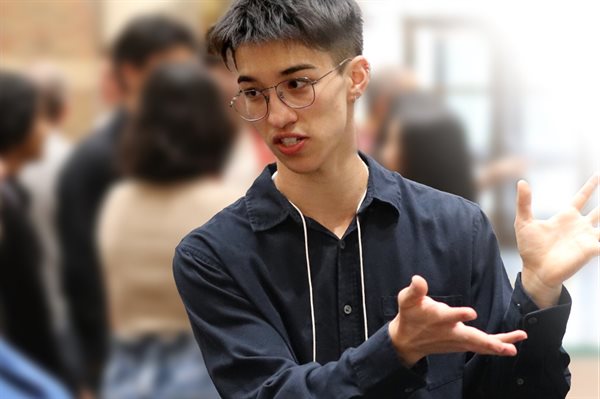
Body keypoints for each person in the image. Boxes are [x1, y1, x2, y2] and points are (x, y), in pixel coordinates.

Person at [173, 1, 600, 398]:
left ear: (356, 78)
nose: (277, 115)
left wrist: (540, 291)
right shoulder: (214, 256)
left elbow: (509, 391)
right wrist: (394, 349)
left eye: (297, 84)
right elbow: (269, 391)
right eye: (253, 93)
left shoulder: (456, 228)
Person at [56, 15, 198, 395]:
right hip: (119, 364)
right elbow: (81, 273)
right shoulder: (95, 160)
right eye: (169, 71)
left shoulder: (185, 151)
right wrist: (92, 368)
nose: (180, 86)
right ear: (131, 73)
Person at [97, 62, 240, 399]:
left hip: (125, 372)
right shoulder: (229, 207)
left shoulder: (118, 202)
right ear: (213, 125)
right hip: (205, 370)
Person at [0, 70, 72, 387]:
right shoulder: (6, 203)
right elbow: (27, 308)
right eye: (40, 118)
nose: (46, 131)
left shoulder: (14, 192)